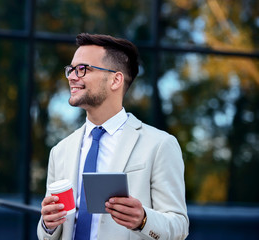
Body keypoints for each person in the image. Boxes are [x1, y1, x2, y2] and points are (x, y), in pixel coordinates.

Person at [37, 33, 189, 240]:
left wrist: (143, 220)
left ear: (115, 80)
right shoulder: (60, 151)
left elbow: (179, 227)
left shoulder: (160, 145)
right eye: (71, 69)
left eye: (82, 69)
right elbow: (47, 232)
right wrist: (48, 225)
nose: (72, 76)